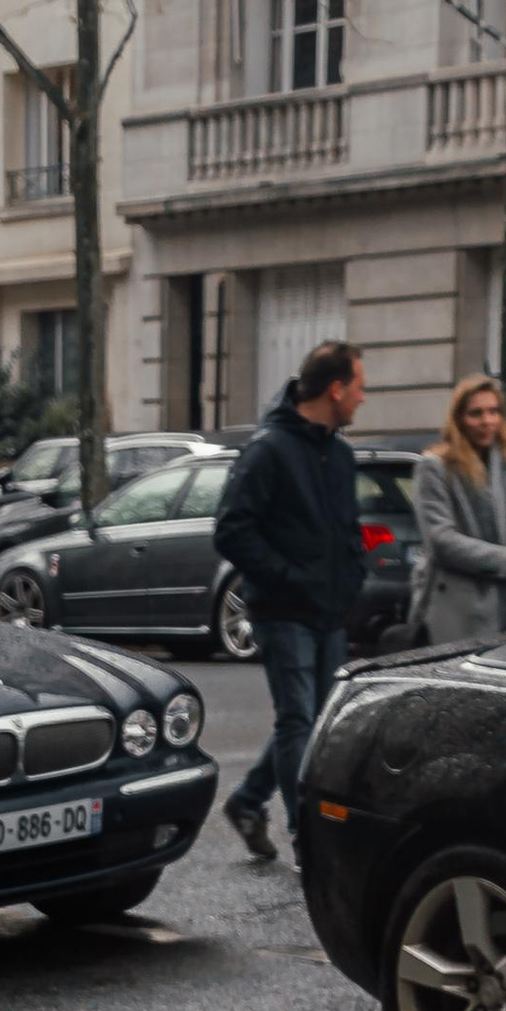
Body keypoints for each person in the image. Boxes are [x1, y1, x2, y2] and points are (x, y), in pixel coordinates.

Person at [214, 337, 367, 864]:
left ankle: (249, 800)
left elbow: (348, 531)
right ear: (336, 388)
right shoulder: (268, 450)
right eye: (360, 388)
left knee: (314, 723)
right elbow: (231, 531)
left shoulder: (340, 454)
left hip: (329, 611)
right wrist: (287, 578)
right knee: (299, 719)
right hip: (282, 611)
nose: (362, 400)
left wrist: (351, 579)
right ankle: (308, 833)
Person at [409, 374, 506, 648]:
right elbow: (441, 540)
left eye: (494, 411)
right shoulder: (436, 467)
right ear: (459, 418)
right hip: (456, 605)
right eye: (476, 413)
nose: (487, 421)